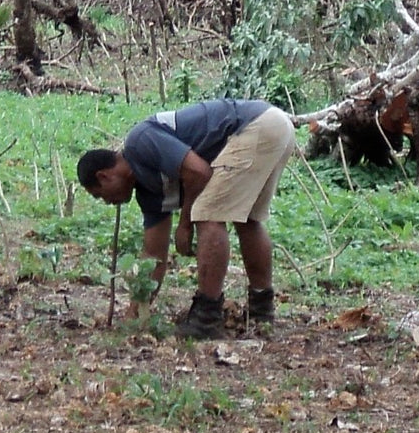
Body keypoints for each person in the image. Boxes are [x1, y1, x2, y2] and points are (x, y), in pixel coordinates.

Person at [77, 98, 296, 339]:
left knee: (207, 215)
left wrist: (185, 222)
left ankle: (206, 319)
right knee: (248, 220)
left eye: (100, 196)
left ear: (104, 176)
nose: (107, 202)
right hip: (275, 126)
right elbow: (154, 255)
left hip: (255, 125)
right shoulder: (148, 193)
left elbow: (199, 172)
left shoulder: (140, 142)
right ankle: (261, 313)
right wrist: (136, 310)